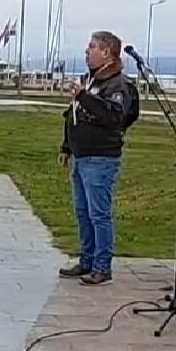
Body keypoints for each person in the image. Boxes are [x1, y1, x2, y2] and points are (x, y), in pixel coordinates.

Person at [58, 30, 139, 285]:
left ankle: (102, 266)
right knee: (83, 212)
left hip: (101, 157)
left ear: (107, 52)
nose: (86, 51)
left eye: (92, 47)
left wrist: (85, 96)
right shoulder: (91, 80)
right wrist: (66, 146)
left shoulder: (118, 84)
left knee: (98, 214)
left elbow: (114, 116)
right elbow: (72, 115)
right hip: (82, 155)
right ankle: (87, 259)